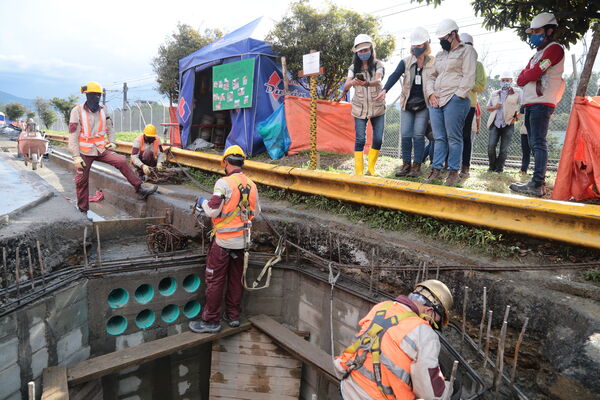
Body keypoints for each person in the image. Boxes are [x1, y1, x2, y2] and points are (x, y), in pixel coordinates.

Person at [335, 279, 454, 400]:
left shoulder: (382, 307)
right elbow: (431, 393)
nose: (430, 324)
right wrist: (448, 389)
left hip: (348, 389)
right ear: (429, 311)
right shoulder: (424, 332)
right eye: (435, 320)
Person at [189, 145, 261, 333]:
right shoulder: (252, 185)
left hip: (223, 243)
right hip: (242, 243)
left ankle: (211, 321)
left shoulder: (223, 183)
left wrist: (202, 202)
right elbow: (257, 211)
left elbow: (212, 210)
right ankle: (233, 316)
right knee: (236, 280)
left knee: (215, 280)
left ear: (226, 162)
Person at [69, 81, 157, 213]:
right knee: (82, 180)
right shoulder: (77, 111)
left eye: (99, 95)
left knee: (121, 160)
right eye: (94, 95)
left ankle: (140, 188)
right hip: (84, 151)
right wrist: (76, 156)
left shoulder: (103, 109)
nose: (97, 98)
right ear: (87, 96)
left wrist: (112, 141)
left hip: (100, 149)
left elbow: (110, 128)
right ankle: (83, 210)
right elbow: (73, 135)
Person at [510, 12, 565, 197]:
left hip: (542, 103)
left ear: (549, 31)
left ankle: (537, 183)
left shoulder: (555, 49)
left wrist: (530, 74)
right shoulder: (538, 54)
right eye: (532, 31)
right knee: (535, 143)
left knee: (538, 143)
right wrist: (530, 74)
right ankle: (535, 180)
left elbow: (531, 75)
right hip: (532, 103)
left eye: (537, 31)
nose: (533, 34)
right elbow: (520, 79)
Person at [375, 27, 434, 178]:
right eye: (414, 45)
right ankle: (406, 165)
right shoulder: (406, 62)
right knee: (406, 134)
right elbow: (395, 75)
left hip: (423, 105)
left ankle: (416, 167)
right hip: (407, 104)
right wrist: (385, 90)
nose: (416, 48)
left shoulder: (434, 62)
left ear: (426, 44)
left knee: (418, 134)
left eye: (419, 45)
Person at [425, 19, 477, 186]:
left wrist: (458, 96)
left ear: (453, 34)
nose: (441, 42)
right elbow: (430, 77)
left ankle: (454, 171)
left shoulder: (467, 51)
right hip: (436, 101)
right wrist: (431, 94)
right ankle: (436, 169)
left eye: (443, 38)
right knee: (439, 138)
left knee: (454, 137)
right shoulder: (440, 56)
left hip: (454, 100)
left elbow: (469, 76)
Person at [344, 34, 386, 176]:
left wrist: (368, 83)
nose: (363, 53)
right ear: (356, 52)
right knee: (360, 139)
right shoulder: (352, 68)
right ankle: (359, 172)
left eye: (365, 50)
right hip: (359, 108)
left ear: (371, 49)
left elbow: (378, 80)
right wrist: (353, 82)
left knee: (378, 138)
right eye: (360, 51)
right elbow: (345, 86)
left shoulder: (378, 64)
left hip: (377, 107)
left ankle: (371, 169)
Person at [458, 33, 487, 179]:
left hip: (469, 104)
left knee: (465, 136)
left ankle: (465, 167)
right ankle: (451, 165)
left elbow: (481, 85)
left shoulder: (478, 65)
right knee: (453, 135)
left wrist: (466, 85)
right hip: (453, 103)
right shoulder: (455, 62)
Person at [486, 71, 522, 173]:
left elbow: (523, 106)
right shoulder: (495, 93)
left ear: (511, 81)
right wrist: (495, 107)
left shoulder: (517, 92)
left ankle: (499, 168)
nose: (505, 82)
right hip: (495, 123)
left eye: (507, 80)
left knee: (504, 149)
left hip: (508, 123)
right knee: (491, 146)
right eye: (503, 80)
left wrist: (516, 118)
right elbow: (488, 107)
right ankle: (491, 167)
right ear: (500, 81)